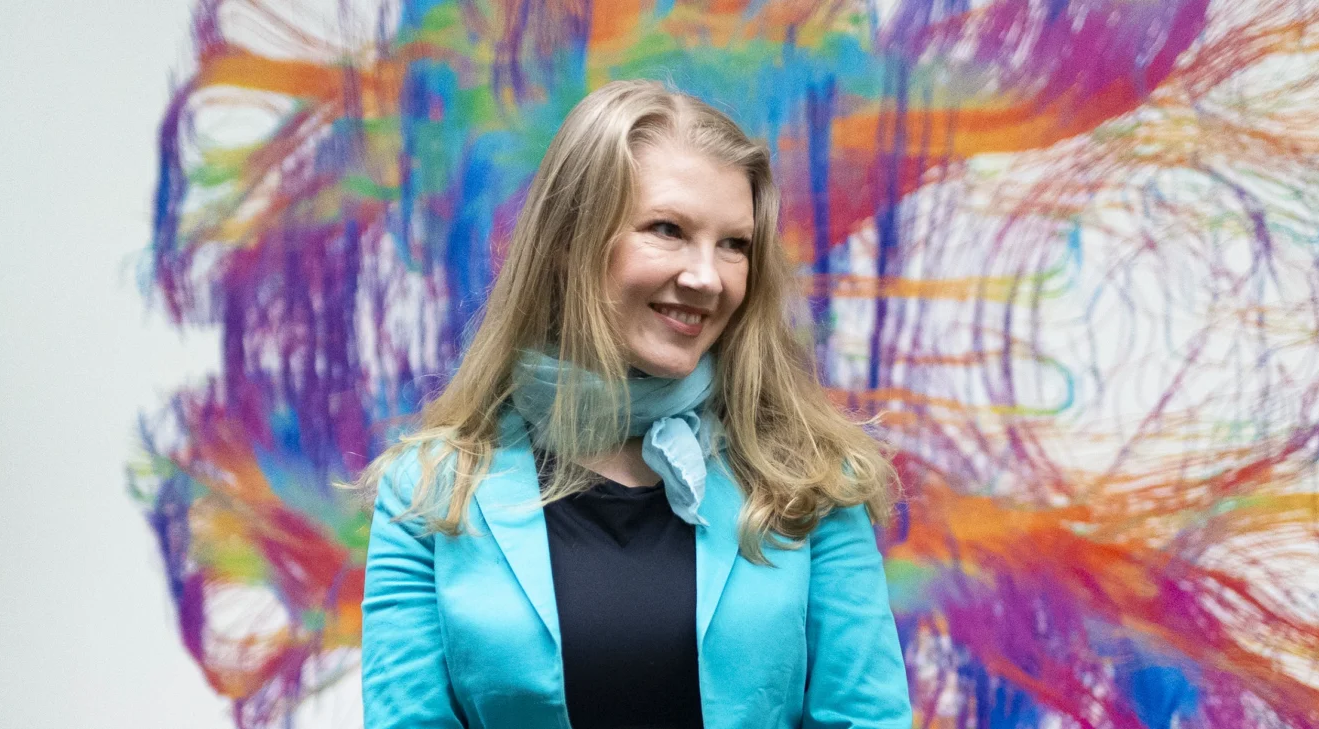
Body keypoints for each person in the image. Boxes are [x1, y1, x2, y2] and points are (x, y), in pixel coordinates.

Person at [358, 79, 913, 729]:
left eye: (734, 243)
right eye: (668, 230)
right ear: (568, 243)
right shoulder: (427, 490)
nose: (707, 276)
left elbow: (866, 718)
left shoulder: (810, 481)